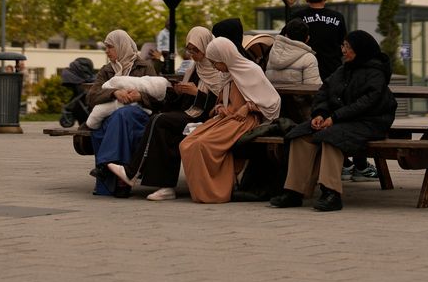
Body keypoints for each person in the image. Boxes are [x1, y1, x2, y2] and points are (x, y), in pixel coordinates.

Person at [273, 30, 398, 211]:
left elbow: (365, 104)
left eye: (348, 47)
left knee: (332, 138)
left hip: (369, 122)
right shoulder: (342, 70)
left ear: (360, 49)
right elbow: (323, 93)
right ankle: (294, 192)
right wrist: (320, 114)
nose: (343, 50)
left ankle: (331, 193)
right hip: (341, 120)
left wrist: (335, 117)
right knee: (300, 136)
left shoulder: (376, 73)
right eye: (343, 46)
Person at [151, 36, 278, 203]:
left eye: (216, 62)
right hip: (225, 118)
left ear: (225, 58)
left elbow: (272, 102)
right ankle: (202, 190)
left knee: (202, 144)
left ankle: (217, 192)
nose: (214, 67)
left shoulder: (250, 71)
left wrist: (247, 107)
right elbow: (223, 100)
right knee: (187, 143)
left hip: (243, 120)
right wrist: (220, 107)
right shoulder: (227, 73)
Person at [131, 28, 219, 195]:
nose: (192, 54)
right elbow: (183, 104)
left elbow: (220, 103)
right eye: (189, 50)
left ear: (206, 47)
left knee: (160, 120)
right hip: (188, 114)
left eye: (196, 50)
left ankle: (132, 171)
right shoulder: (193, 69)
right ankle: (164, 185)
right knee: (160, 122)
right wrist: (178, 91)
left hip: (206, 117)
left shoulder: (217, 69)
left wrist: (197, 93)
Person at [81, 30, 155, 129]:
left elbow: (159, 97)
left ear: (122, 46)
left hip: (137, 117)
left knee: (122, 115)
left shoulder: (144, 67)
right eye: (106, 47)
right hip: (110, 117)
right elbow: (91, 97)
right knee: (116, 118)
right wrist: (114, 93)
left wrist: (140, 96)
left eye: (110, 47)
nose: (106, 51)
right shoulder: (106, 70)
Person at [286, 0, 346, 79]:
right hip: (332, 73)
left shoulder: (297, 17)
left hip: (303, 72)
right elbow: (343, 45)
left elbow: (285, 41)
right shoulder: (338, 17)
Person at [263, 19, 320, 89]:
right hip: (298, 96)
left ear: (286, 36)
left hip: (273, 96)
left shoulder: (272, 54)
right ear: (307, 38)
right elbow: (313, 88)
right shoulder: (309, 58)